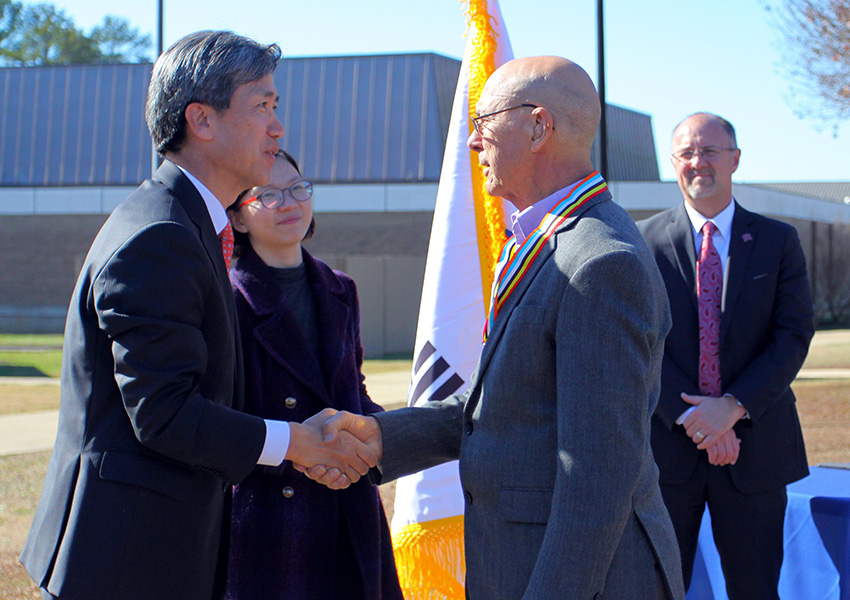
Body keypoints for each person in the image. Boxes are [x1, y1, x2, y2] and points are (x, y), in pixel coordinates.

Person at [299, 56, 686, 600]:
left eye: (483, 123)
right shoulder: (548, 239)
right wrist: (383, 436)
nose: (473, 144)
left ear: (537, 126)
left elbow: (597, 474)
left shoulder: (599, 262)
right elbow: (503, 406)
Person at [19, 31, 374, 600]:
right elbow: (164, 414)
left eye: (275, 107)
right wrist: (298, 444)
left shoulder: (185, 222)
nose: (277, 126)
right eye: (261, 105)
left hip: (150, 553)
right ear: (201, 121)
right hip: (124, 565)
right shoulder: (160, 235)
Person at [637, 112, 814, 600]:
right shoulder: (641, 242)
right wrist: (697, 418)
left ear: (735, 159)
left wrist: (731, 407)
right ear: (673, 162)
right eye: (687, 153)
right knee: (657, 589)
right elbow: (638, 342)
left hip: (757, 451)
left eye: (710, 151)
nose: (699, 162)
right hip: (667, 456)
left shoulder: (778, 241)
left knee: (755, 590)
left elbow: (793, 335)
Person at [223, 149, 403, 600]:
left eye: (298, 189)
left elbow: (353, 390)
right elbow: (220, 416)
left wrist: (372, 437)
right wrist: (306, 452)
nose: (289, 203)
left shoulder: (341, 288)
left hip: (349, 503)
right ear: (239, 218)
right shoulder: (226, 297)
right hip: (268, 513)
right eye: (267, 194)